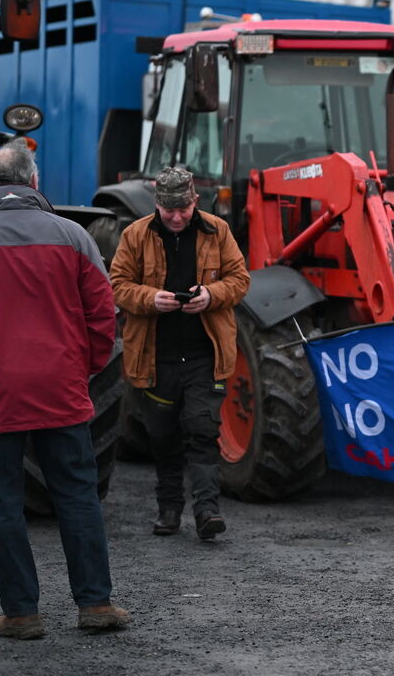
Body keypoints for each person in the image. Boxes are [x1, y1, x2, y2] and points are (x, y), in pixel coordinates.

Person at [0, 142, 129, 639]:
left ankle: (21, 613)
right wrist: (82, 370)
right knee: (77, 496)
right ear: (34, 182)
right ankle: (95, 604)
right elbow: (103, 315)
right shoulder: (74, 236)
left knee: (1, 503)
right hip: (60, 390)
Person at [110, 166, 249, 540]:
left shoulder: (218, 231)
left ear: (195, 201)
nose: (176, 217)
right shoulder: (135, 235)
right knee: (163, 437)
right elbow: (117, 285)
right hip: (156, 357)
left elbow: (240, 280)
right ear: (157, 204)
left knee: (203, 430)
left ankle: (207, 511)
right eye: (169, 210)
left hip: (205, 354)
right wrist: (151, 299)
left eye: (183, 209)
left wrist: (211, 296)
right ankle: (169, 510)